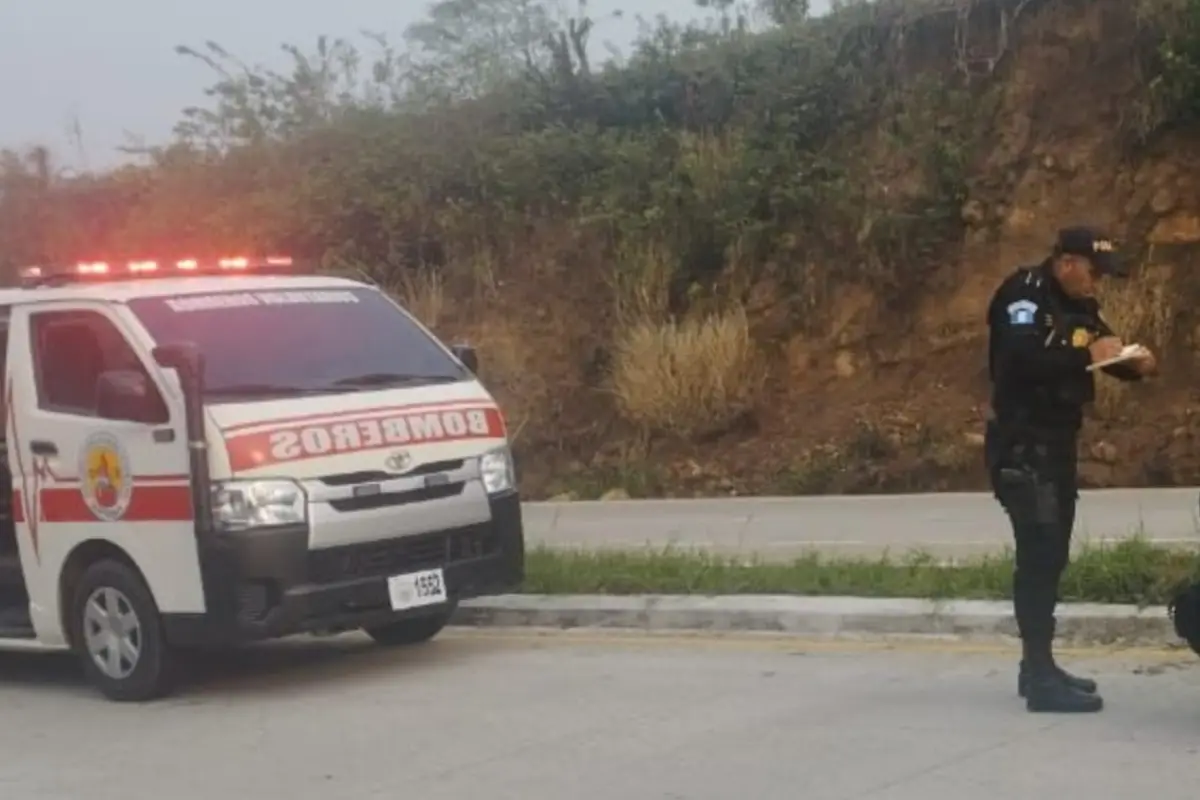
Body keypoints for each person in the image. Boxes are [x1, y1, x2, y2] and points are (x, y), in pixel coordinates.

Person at [983, 226, 1158, 713]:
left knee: (1053, 554)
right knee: (1038, 556)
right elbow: (1020, 359)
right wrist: (1087, 354)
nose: (1097, 282)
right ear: (1067, 262)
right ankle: (1039, 677)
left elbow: (1103, 353)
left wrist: (1134, 364)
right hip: (1022, 446)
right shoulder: (1024, 295)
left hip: (1058, 445)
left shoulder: (1081, 306)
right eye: (1094, 271)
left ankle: (1037, 666)